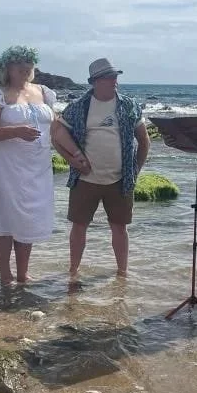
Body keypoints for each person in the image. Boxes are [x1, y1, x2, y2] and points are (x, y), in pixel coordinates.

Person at [52, 57, 150, 280]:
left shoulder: (129, 105)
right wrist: (71, 159)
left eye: (115, 76)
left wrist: (135, 172)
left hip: (120, 180)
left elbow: (144, 141)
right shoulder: (78, 107)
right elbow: (56, 135)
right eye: (108, 77)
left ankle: (122, 274)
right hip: (85, 180)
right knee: (79, 227)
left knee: (120, 228)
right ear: (95, 81)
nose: (114, 80)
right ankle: (73, 272)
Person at [0, 45, 58, 286]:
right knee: (3, 217)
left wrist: (74, 153)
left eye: (29, 63)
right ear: (7, 67)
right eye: (19, 63)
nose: (25, 67)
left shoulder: (44, 92)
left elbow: (55, 128)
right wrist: (17, 131)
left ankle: (23, 273)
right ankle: (5, 273)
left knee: (27, 217)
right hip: (5, 166)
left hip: (37, 165)